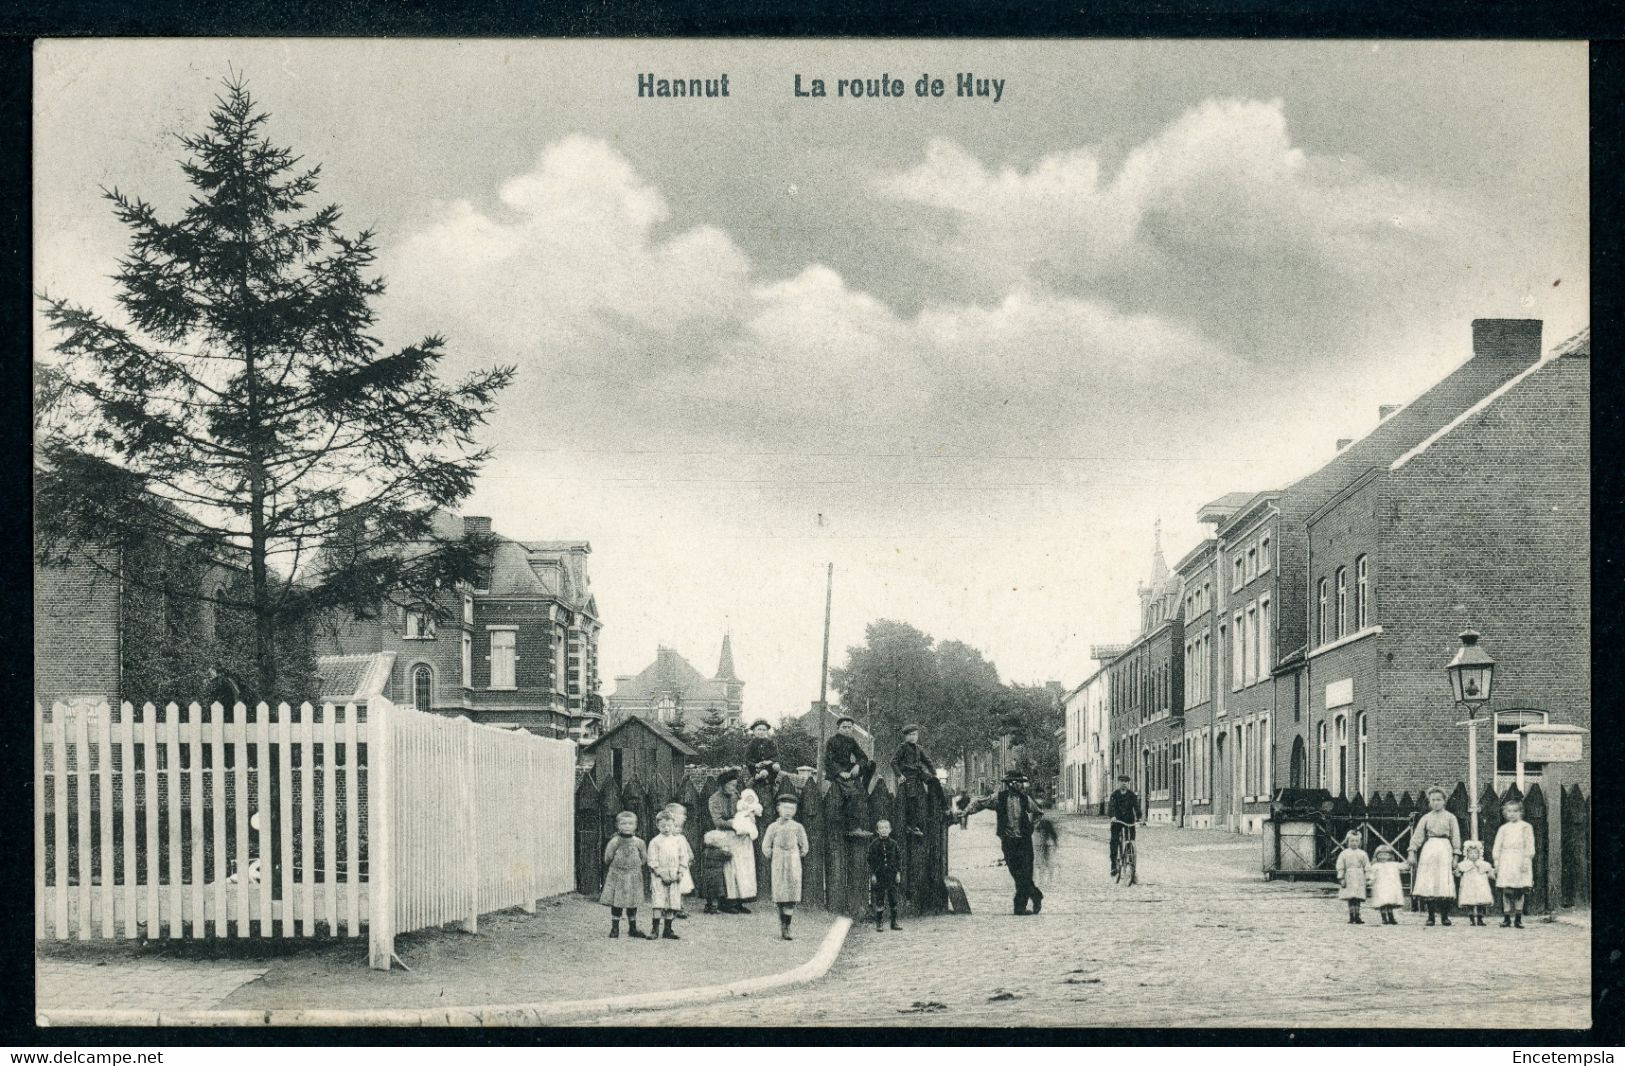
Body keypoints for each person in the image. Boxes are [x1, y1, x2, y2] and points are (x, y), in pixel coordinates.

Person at [967, 770, 1046, 915]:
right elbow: (980, 803)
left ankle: (1020, 908)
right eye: (1015, 782)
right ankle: (1035, 895)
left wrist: (1031, 827)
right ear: (1009, 784)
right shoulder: (999, 798)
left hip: (1024, 842)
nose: (1019, 785)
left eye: (1020, 782)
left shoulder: (1025, 799)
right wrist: (966, 811)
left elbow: (1038, 813)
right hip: (1009, 842)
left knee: (1026, 874)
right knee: (1016, 873)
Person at [1407, 786, 1462, 926]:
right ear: (1429, 802)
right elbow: (1417, 837)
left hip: (1445, 849)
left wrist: (1456, 856)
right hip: (1429, 849)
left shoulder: (1451, 817)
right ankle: (1430, 916)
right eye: (1433, 800)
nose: (1436, 802)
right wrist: (1412, 852)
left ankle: (1445, 916)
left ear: (1444, 801)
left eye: (1439, 799)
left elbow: (1456, 837)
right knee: (1429, 882)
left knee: (1444, 881)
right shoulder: (1426, 818)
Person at [760, 793, 810, 941]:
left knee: (792, 891)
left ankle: (788, 925)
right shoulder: (773, 827)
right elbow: (766, 845)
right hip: (778, 861)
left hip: (793, 861)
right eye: (785, 808)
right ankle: (782, 924)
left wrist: (799, 853)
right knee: (780, 891)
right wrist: (773, 854)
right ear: (778, 809)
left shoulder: (798, 827)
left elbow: (804, 844)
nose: (788, 811)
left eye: (792, 809)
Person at [705, 770, 754, 913]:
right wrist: (734, 823)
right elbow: (718, 821)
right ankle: (727, 902)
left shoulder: (737, 796)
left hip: (740, 837)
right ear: (722, 785)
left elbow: (744, 810)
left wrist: (746, 819)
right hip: (726, 837)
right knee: (729, 869)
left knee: (742, 869)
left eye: (735, 785)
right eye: (730, 785)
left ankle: (739, 901)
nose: (733, 788)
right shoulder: (714, 799)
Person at [600, 810, 650, 939]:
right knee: (617, 902)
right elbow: (607, 858)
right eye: (623, 823)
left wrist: (634, 866)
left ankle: (632, 928)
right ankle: (614, 928)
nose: (627, 826)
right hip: (618, 875)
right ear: (618, 826)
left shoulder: (639, 842)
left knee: (632, 902)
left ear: (635, 825)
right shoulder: (615, 841)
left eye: (630, 823)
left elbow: (644, 858)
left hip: (633, 875)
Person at [823, 716, 875, 838]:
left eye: (849, 727)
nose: (847, 730)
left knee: (871, 764)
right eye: (844, 727)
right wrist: (840, 772)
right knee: (853, 794)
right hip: (836, 772)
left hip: (848, 769)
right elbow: (828, 760)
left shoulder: (851, 741)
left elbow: (863, 757)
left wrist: (857, 765)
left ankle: (864, 784)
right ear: (838, 728)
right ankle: (852, 828)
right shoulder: (832, 741)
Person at [647, 812, 693, 941]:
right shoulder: (655, 842)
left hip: (674, 877)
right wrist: (660, 873)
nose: (666, 829)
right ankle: (655, 929)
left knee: (672, 903)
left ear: (674, 825)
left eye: (669, 826)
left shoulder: (677, 841)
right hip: (659, 878)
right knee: (658, 902)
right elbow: (652, 860)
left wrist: (680, 872)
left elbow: (683, 857)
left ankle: (668, 929)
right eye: (663, 826)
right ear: (658, 826)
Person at [1492, 799, 1536, 929]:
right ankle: (1506, 918)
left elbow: (1530, 845)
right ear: (1505, 813)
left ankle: (1518, 919)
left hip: (1521, 859)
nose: (1512, 814)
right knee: (1506, 890)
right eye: (1509, 811)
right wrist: (1496, 861)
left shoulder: (1526, 827)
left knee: (1519, 890)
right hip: (1506, 860)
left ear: (1521, 812)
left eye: (1515, 811)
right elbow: (1497, 846)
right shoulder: (1503, 829)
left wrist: (1527, 860)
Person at [890, 725, 938, 837]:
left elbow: (927, 760)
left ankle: (921, 822)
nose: (913, 737)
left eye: (915, 734)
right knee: (912, 800)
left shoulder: (919, 748)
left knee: (923, 797)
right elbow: (893, 762)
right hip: (908, 777)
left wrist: (934, 773)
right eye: (910, 735)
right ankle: (910, 826)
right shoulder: (902, 748)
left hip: (918, 776)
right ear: (905, 736)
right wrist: (899, 775)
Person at [867, 818, 904, 932]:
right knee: (879, 899)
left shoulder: (894, 844)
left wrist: (898, 873)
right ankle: (879, 923)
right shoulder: (874, 845)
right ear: (877, 831)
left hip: (891, 876)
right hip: (879, 876)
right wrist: (873, 874)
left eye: (886, 828)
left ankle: (894, 922)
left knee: (893, 899)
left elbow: (898, 859)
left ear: (890, 830)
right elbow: (870, 860)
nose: (884, 830)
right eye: (881, 828)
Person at [660, 802, 695, 920]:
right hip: (671, 867)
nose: (685, 817)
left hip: (682, 867)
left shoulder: (681, 837)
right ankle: (667, 907)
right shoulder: (667, 836)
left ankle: (680, 907)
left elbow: (687, 848)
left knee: (682, 887)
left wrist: (690, 856)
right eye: (682, 814)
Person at [1107, 775, 1142, 878]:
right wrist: (1112, 816)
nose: (1124, 783)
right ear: (1118, 783)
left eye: (1126, 781)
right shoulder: (1114, 795)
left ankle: (1132, 870)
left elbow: (1136, 807)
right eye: (1122, 781)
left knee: (1131, 842)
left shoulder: (1132, 795)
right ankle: (1113, 865)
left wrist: (1139, 817)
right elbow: (1111, 807)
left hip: (1129, 821)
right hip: (1117, 821)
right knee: (1114, 841)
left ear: (1128, 783)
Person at [1456, 840, 1496, 926]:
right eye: (1470, 853)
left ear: (1479, 854)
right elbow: (1458, 873)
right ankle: (1471, 919)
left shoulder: (1483, 864)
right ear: (1467, 854)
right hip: (1469, 885)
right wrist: (1457, 872)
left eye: (1475, 853)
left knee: (1481, 901)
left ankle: (1480, 918)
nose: (1473, 855)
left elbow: (1490, 873)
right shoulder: (1464, 864)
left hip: (1480, 885)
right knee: (1470, 901)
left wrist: (1494, 874)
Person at [1335, 830, 1370, 924]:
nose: (1354, 843)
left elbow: (1367, 866)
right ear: (1347, 842)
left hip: (1359, 877)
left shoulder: (1363, 853)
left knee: (1357, 898)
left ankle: (1357, 916)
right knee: (1351, 897)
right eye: (1352, 841)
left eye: (1356, 841)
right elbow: (1340, 866)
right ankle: (1351, 916)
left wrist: (1367, 877)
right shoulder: (1344, 853)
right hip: (1349, 876)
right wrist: (1341, 878)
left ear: (1360, 842)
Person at [745, 719, 782, 801]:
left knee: (776, 767)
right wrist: (755, 764)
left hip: (769, 767)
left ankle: (772, 783)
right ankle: (757, 777)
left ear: (767, 732)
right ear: (754, 731)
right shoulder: (751, 744)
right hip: (755, 768)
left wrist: (770, 761)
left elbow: (776, 756)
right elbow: (747, 760)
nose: (761, 732)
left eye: (764, 730)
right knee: (760, 775)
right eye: (759, 729)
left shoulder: (771, 743)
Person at [1368, 845, 1407, 924]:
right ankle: (1384, 918)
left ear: (1390, 856)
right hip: (1380, 887)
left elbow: (1404, 866)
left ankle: (1391, 917)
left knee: (1389, 903)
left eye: (1385, 854)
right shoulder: (1376, 866)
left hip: (1390, 887)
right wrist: (1370, 881)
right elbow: (1372, 874)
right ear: (1377, 856)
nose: (1383, 856)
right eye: (1380, 855)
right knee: (1382, 903)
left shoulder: (1393, 864)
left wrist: (1409, 861)